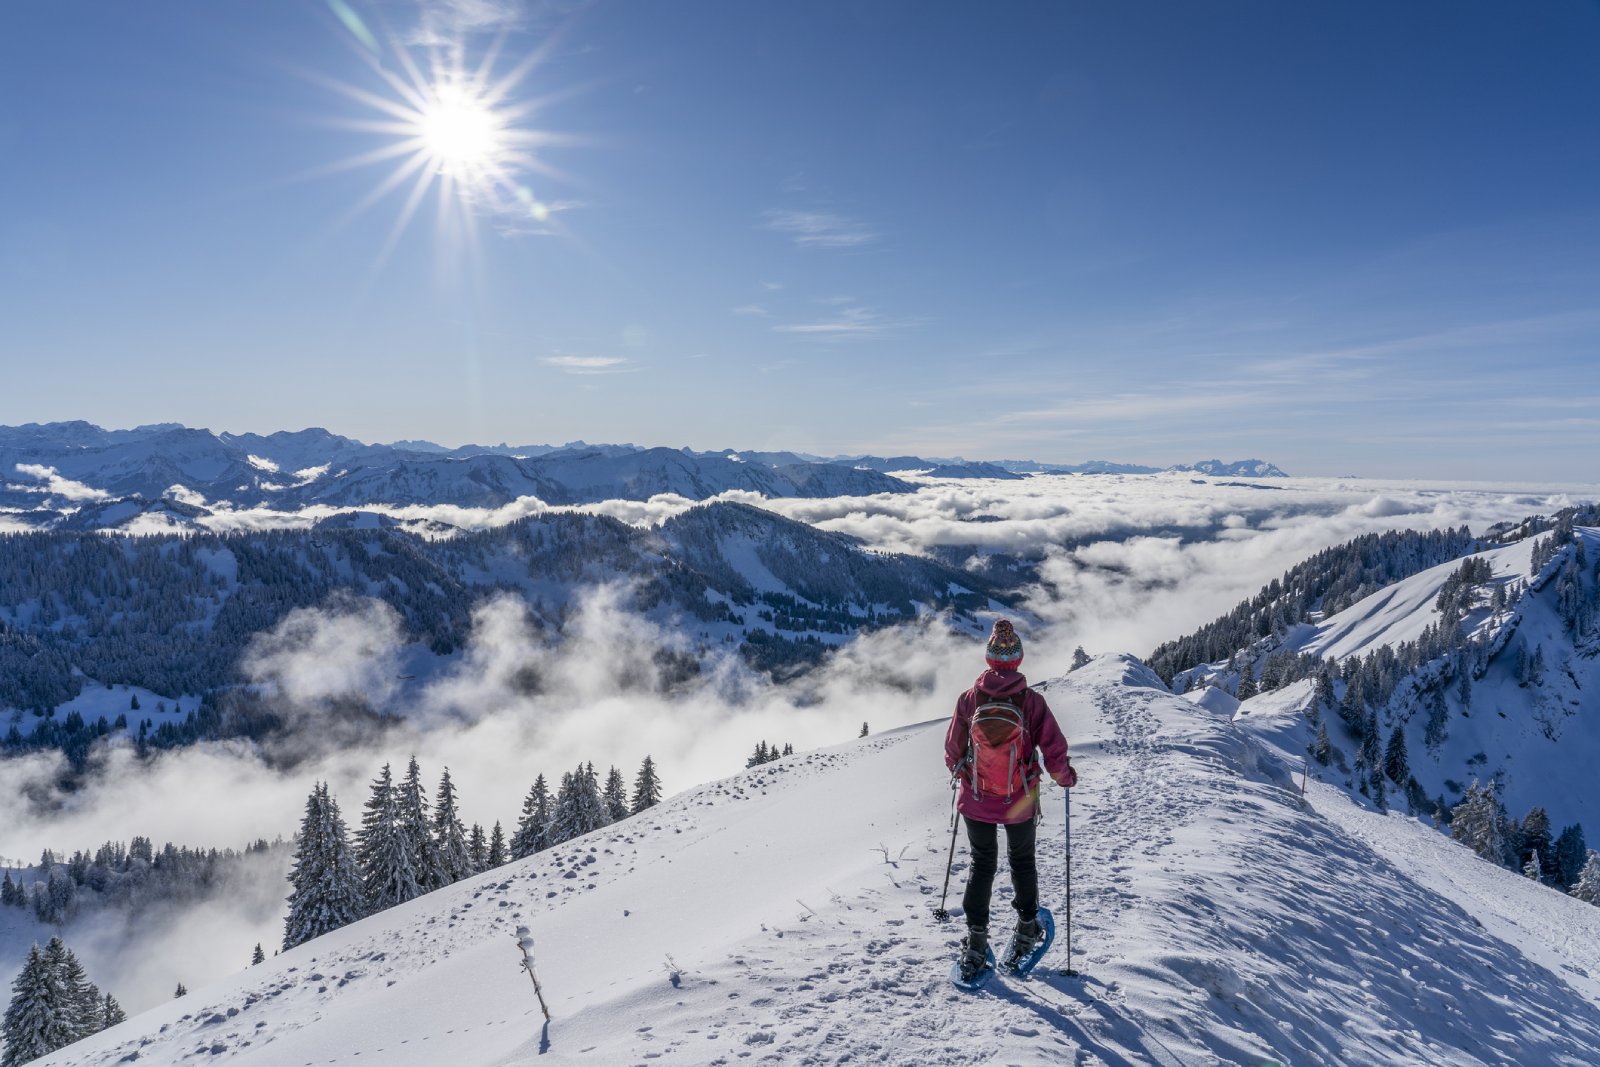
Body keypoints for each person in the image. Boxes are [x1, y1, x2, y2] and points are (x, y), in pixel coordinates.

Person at [944, 619, 1075, 980]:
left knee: (981, 865)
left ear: (989, 659)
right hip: (1020, 800)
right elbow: (1053, 749)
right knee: (1022, 862)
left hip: (977, 800)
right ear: (1018, 660)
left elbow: (952, 751)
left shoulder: (970, 699)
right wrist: (1064, 777)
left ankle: (975, 942)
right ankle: (1027, 927)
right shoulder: (1031, 702)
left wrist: (964, 773)